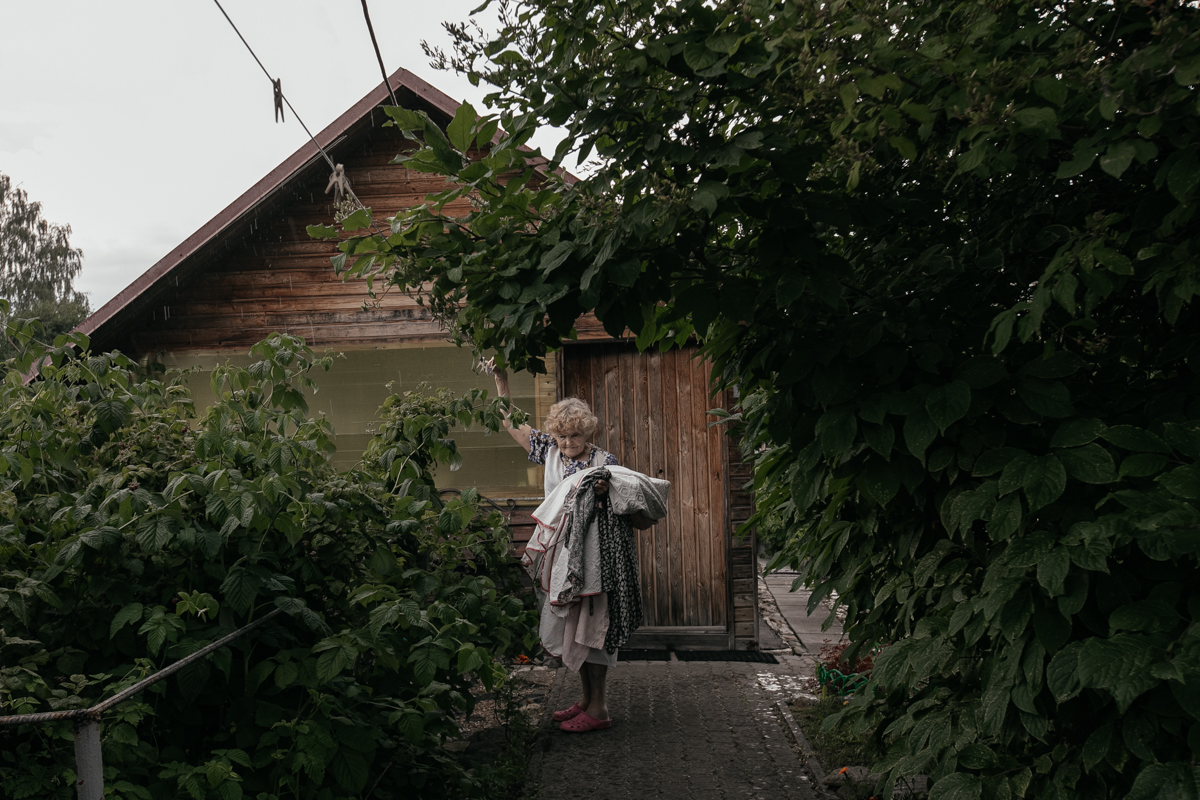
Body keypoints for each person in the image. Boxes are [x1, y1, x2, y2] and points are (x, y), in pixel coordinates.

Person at [491, 366, 653, 732]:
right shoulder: (549, 451)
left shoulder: (605, 463)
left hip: (596, 559)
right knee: (571, 626)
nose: (567, 443)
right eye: (562, 436)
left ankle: (599, 708)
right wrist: (501, 382)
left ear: (588, 432)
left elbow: (629, 509)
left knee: (593, 625)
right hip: (561, 555)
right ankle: (586, 699)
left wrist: (604, 494)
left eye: (575, 435)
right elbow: (510, 422)